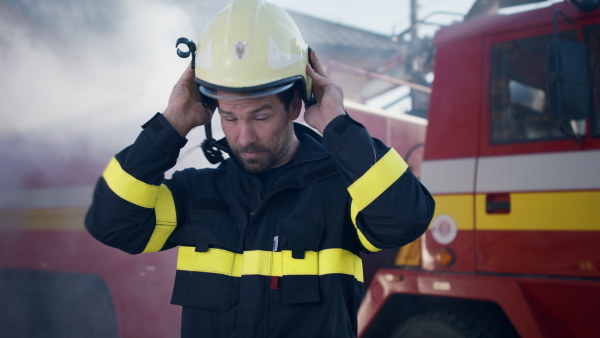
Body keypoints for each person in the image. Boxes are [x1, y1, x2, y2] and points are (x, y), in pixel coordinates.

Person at [85, 0, 435, 337]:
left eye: (261, 116)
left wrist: (336, 125)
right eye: (229, 117)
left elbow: (407, 218)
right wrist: (171, 125)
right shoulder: (195, 194)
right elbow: (112, 224)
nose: (244, 135)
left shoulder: (341, 191)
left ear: (296, 105)